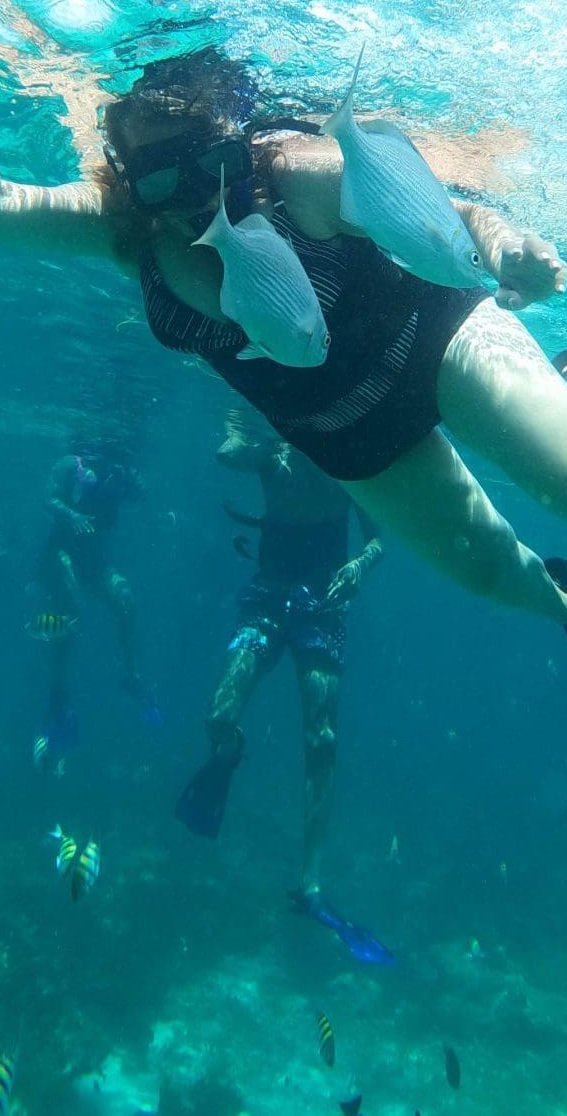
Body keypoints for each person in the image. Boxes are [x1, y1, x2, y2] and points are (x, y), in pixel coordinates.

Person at [0, 0, 567, 701]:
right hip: (348, 434)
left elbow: (450, 213)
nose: (189, 196)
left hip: (438, 338)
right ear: (122, 171)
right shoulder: (124, 228)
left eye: (210, 163)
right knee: (491, 574)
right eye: (157, 177)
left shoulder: (290, 171)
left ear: (238, 145)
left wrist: (504, 249)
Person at [176, 411, 388, 962]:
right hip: (268, 599)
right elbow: (227, 454)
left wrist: (362, 565)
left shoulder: (349, 464)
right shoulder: (274, 451)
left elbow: (379, 539)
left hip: (323, 606)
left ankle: (311, 882)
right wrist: (247, 432)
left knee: (322, 736)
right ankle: (228, 756)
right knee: (219, 716)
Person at [35, 444, 157, 755]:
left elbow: (141, 499)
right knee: (69, 612)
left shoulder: (120, 472)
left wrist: (138, 487)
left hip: (95, 561)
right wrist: (72, 515)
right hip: (60, 553)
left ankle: (131, 674)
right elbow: (46, 499)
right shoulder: (68, 464)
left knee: (126, 600)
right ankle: (58, 693)